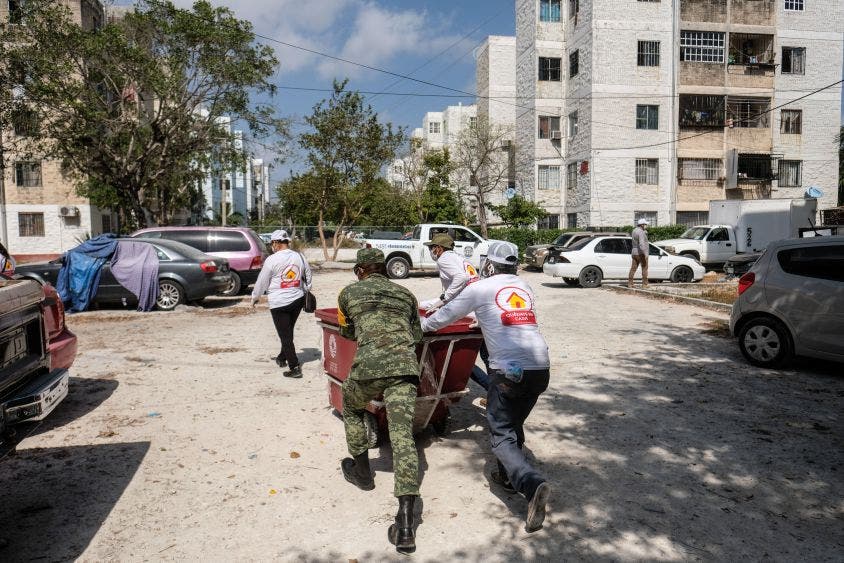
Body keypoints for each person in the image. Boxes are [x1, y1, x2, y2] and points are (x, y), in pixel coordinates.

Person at [420, 241, 552, 533]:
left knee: (501, 435)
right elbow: (505, 317)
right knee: (513, 421)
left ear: (489, 264)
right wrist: (481, 322)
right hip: (540, 368)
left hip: (509, 372)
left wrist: (421, 327)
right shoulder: (525, 287)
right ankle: (506, 476)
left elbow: (445, 315)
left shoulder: (480, 288)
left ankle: (531, 485)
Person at [338, 248, 423, 554]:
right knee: (402, 437)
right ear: (385, 269)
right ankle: (405, 526)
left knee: (351, 407)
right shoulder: (407, 295)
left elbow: (347, 332)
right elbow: (417, 337)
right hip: (404, 370)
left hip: (368, 370)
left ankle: (362, 474)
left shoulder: (347, 294)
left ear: (359, 270)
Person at [421, 233, 490, 390]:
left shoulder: (444, 259)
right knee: (486, 356)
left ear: (439, 249)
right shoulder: (458, 258)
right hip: (479, 309)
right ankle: (497, 394)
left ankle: (493, 391)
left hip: (469, 311)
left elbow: (461, 278)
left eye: (432, 248)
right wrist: (436, 302)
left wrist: (444, 298)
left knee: (459, 357)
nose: (431, 251)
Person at [251, 229, 312, 378]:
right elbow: (308, 276)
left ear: (275, 243)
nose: (272, 246)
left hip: (279, 303)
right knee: (288, 331)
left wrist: (255, 297)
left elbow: (262, 281)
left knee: (285, 335)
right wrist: (305, 289)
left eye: (272, 243)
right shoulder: (299, 256)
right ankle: (282, 357)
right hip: (297, 299)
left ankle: (294, 367)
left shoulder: (272, 260)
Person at [628, 218, 650, 288]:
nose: (646, 225)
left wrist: (645, 233)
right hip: (641, 253)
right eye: (645, 224)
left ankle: (630, 283)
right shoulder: (641, 232)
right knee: (644, 268)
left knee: (633, 269)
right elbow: (641, 244)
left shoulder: (634, 230)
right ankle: (645, 284)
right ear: (642, 225)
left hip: (634, 252)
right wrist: (645, 253)